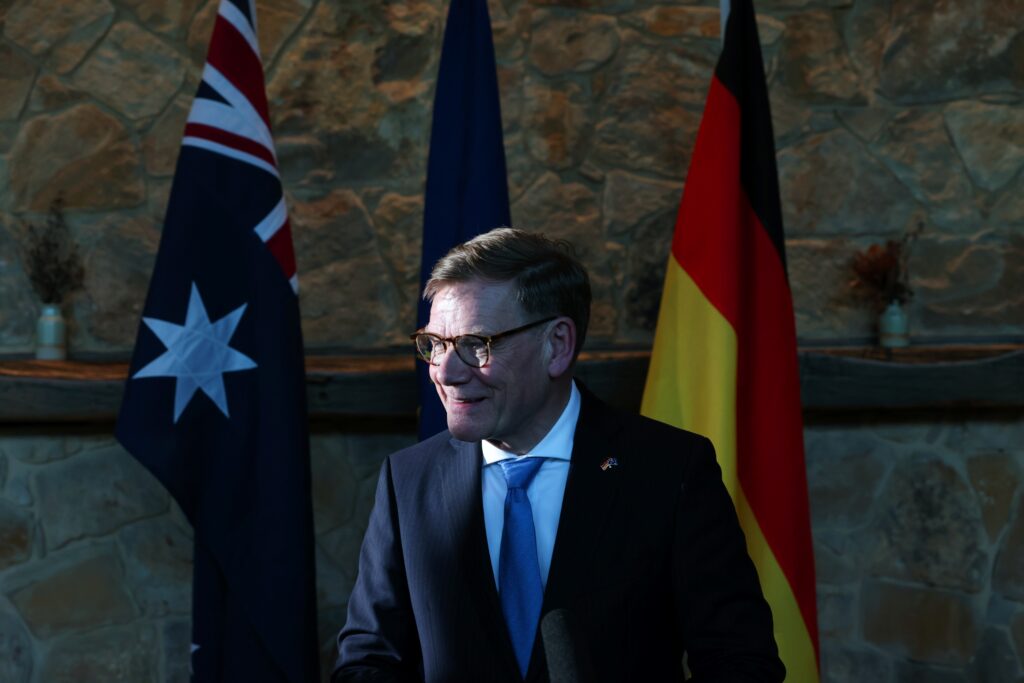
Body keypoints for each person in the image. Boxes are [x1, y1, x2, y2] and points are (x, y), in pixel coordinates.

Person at [333, 228, 784, 682]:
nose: (445, 372)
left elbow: (740, 662)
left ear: (557, 345)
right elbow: (367, 663)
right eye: (435, 344)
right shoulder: (408, 480)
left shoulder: (669, 470)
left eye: (475, 344)